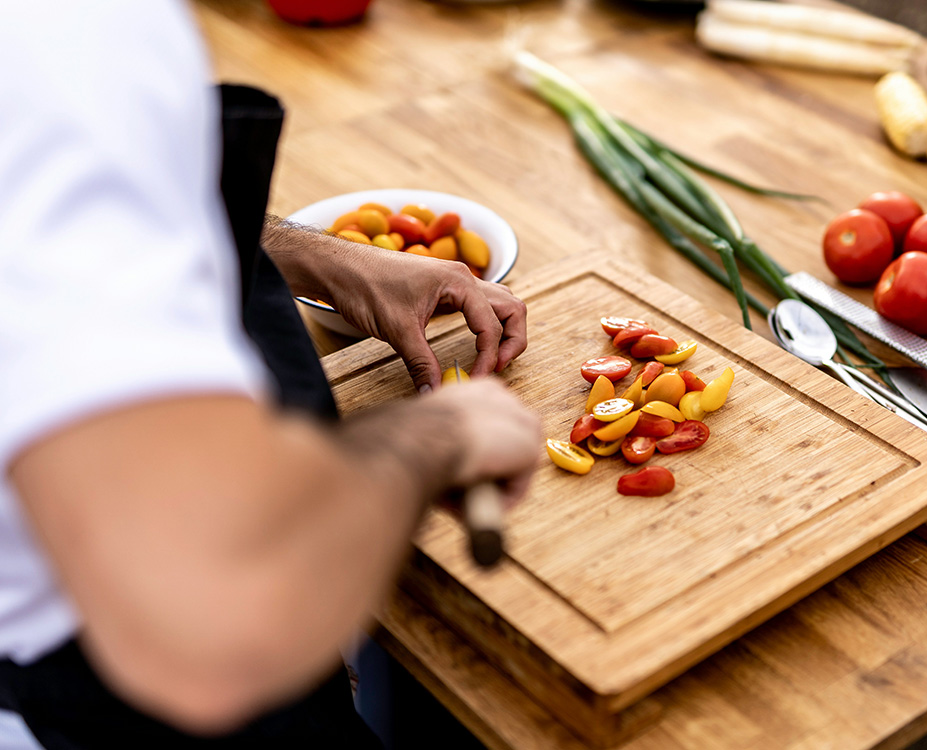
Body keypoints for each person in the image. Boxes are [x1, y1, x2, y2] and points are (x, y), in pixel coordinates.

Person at [0, 2, 542, 747]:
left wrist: (323, 256)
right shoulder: (66, 35)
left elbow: (73, 205)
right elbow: (214, 612)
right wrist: (435, 437)